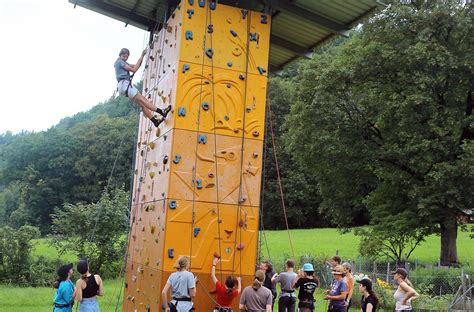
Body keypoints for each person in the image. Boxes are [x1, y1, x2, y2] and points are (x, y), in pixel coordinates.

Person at [114, 48, 171, 128]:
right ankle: (162, 112)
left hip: (123, 87)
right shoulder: (119, 62)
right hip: (125, 85)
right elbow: (134, 69)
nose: (125, 58)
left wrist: (143, 57)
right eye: (124, 56)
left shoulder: (122, 62)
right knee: (144, 100)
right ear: (120, 55)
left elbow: (136, 65)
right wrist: (142, 55)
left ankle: (155, 121)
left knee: (142, 105)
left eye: (127, 57)